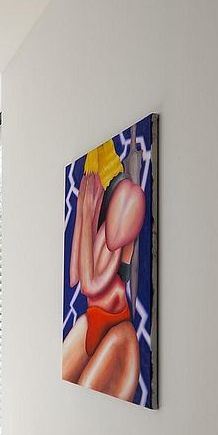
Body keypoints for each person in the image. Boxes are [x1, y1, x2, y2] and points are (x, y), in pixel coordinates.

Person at [62, 138, 145, 401]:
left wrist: (88, 213)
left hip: (117, 328)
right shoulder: (96, 218)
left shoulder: (118, 222)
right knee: (63, 384)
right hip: (92, 320)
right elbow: (74, 277)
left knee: (85, 394)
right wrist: (84, 212)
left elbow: (90, 285)